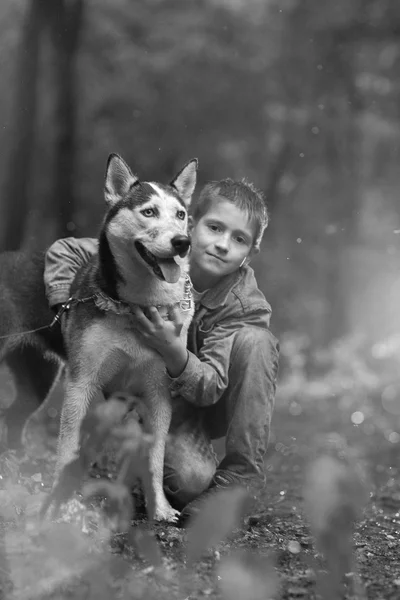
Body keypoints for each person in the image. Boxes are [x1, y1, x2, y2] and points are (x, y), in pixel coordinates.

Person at [44, 177, 279, 524]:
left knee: (194, 484)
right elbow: (67, 249)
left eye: (239, 239)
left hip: (193, 405)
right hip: (136, 385)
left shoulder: (244, 304)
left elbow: (210, 387)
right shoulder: (138, 252)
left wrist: (173, 350)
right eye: (214, 228)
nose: (222, 245)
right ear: (192, 224)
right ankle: (131, 453)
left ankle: (239, 481)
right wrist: (64, 303)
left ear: (251, 251)